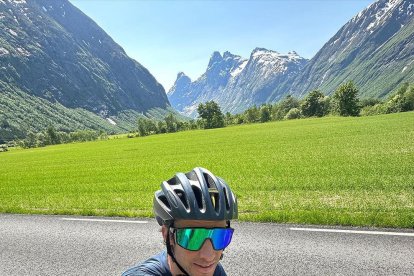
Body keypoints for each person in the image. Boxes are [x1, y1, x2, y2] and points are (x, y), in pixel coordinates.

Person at [122, 167, 238, 276]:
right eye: (192, 238)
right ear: (167, 235)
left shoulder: (214, 270)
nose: (208, 256)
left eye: (220, 236)